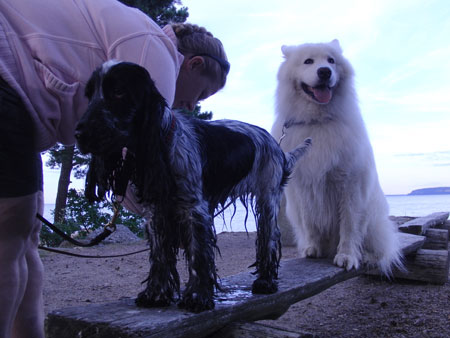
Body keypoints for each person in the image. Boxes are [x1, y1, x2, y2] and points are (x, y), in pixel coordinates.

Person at [0, 0, 230, 337]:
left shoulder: (138, 36)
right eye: (203, 93)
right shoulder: (156, 58)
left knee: (24, 235)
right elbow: (149, 180)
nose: (191, 106)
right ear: (193, 65)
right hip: (7, 81)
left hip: (21, 103)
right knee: (7, 233)